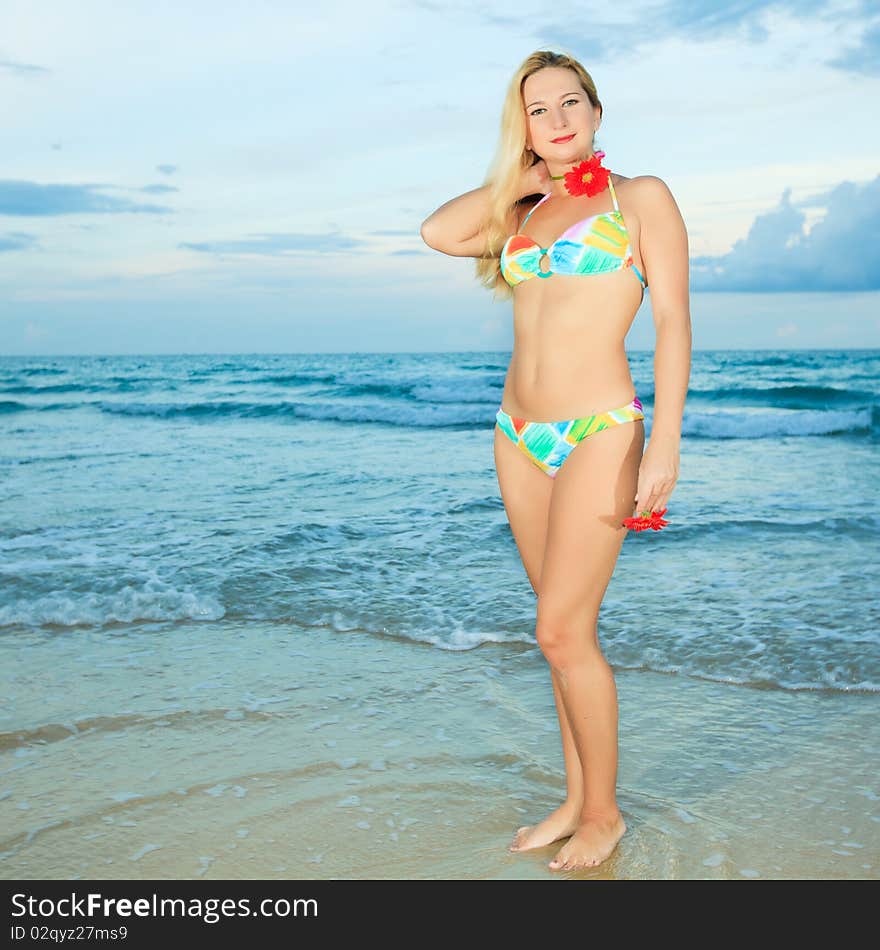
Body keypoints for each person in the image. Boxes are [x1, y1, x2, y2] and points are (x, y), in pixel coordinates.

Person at [420, 49, 691, 872]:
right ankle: (575, 800)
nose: (561, 118)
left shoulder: (639, 198)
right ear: (525, 126)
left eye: (573, 102)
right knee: (560, 637)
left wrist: (667, 444)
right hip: (517, 434)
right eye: (540, 109)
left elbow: (673, 323)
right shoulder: (524, 207)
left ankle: (603, 813)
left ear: (598, 111)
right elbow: (438, 231)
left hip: (601, 430)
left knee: (560, 628)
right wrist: (523, 174)